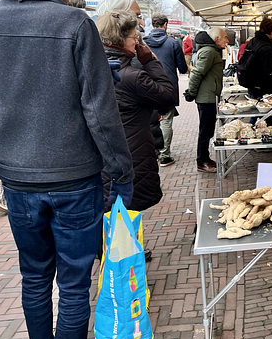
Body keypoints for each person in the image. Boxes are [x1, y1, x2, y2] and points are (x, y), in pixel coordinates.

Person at [0, 0, 134, 339]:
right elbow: (99, 109)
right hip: (74, 178)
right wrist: (121, 171)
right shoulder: (74, 24)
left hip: (18, 177)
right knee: (74, 286)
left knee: (34, 278)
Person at [97, 11, 177, 211]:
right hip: (131, 157)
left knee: (113, 218)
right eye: (134, 37)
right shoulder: (132, 76)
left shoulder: (91, 70)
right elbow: (168, 97)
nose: (137, 42)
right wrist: (149, 61)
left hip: (102, 159)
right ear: (122, 39)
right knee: (126, 219)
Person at [144, 13, 188, 167]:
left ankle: (153, 151)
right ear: (165, 25)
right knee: (166, 121)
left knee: (149, 120)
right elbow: (182, 67)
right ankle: (164, 154)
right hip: (167, 86)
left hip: (146, 85)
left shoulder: (143, 42)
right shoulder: (173, 42)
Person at [186, 27, 228, 173]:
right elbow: (196, 73)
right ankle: (201, 161)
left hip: (210, 96)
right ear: (216, 39)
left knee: (208, 130)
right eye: (225, 37)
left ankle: (205, 158)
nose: (227, 40)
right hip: (207, 98)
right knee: (205, 130)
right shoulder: (209, 52)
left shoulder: (211, 51)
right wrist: (191, 92)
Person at [245, 17, 272, 99]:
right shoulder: (266, 47)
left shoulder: (252, 42)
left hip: (251, 84)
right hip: (263, 89)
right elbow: (269, 70)